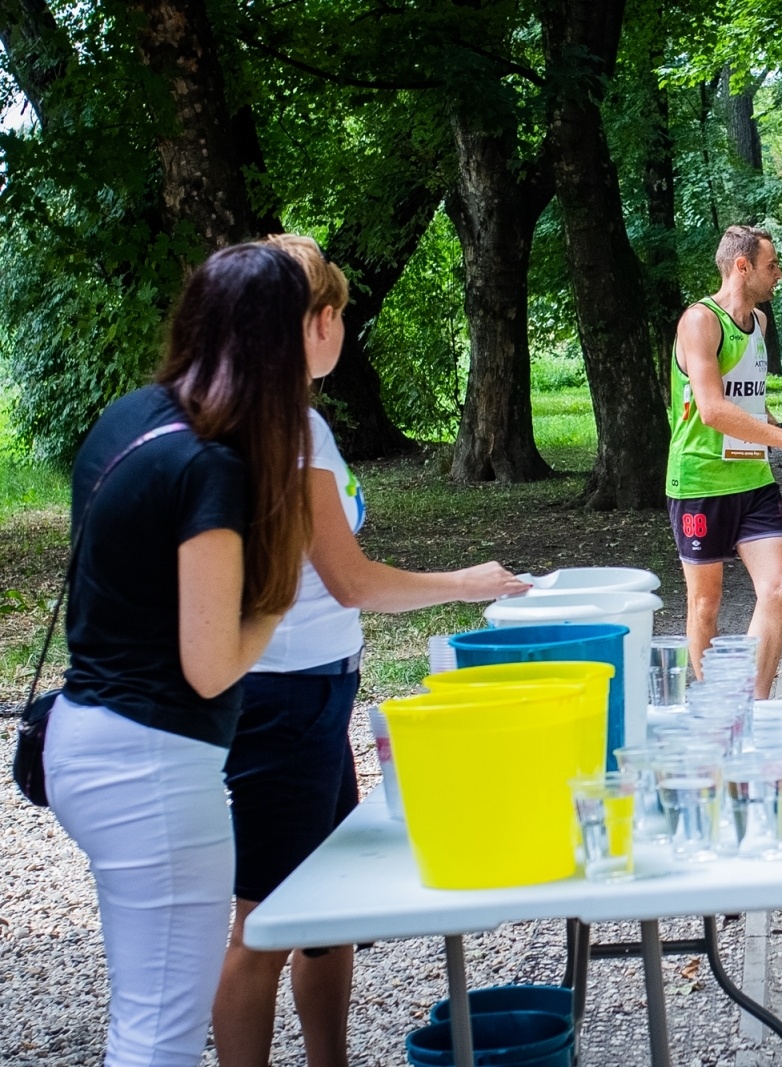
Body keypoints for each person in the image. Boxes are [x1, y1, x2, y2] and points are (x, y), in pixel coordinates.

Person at [211, 235, 528, 1067]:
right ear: (311, 323)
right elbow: (350, 581)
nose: (343, 328)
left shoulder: (278, 417)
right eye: (338, 313)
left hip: (310, 695)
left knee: (325, 916)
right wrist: (464, 581)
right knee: (266, 924)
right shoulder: (292, 427)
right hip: (282, 702)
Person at [42, 243, 314, 1067]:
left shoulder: (132, 416)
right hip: (152, 765)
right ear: (279, 343)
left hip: (81, 736)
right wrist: (278, 601)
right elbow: (210, 662)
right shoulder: (210, 467)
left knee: (143, 1012)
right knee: (158, 1033)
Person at [667, 224, 782, 698]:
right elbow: (713, 410)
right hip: (699, 480)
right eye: (772, 265)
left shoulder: (758, 322)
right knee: (705, 605)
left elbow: (748, 405)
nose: (778, 274)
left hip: (753, 481)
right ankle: (716, 709)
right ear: (743, 266)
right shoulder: (701, 321)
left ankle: (755, 709)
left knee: (779, 588)